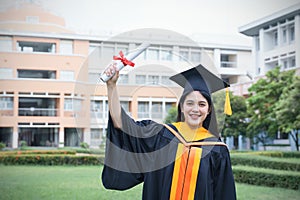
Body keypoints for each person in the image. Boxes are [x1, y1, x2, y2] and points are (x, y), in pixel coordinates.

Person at [102, 63, 236, 200]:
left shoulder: (217, 150)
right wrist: (111, 86)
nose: (195, 109)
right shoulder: (160, 136)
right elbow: (121, 124)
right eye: (190, 103)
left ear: (208, 111)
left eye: (202, 104)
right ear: (182, 107)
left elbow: (224, 194)